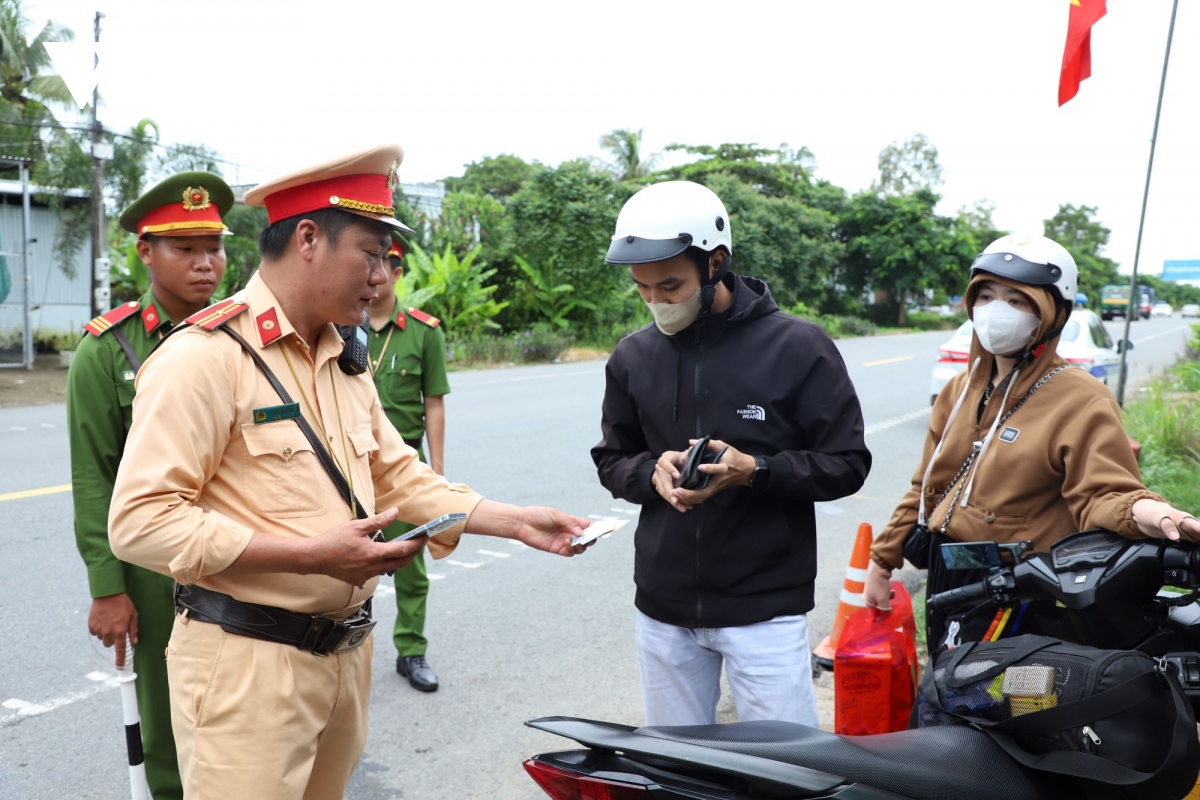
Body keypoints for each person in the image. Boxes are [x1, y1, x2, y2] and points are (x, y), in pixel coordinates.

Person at [107, 145, 591, 799]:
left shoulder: (342, 355)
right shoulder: (203, 359)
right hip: (247, 666)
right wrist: (309, 556)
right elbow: (140, 522)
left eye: (389, 258)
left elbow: (396, 474)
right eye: (370, 253)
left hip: (343, 658)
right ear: (308, 238)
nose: (384, 274)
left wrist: (511, 520)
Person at [591, 180, 871, 727]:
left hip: (764, 609)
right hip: (663, 607)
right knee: (677, 769)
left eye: (670, 285)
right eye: (642, 289)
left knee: (787, 771)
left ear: (715, 261)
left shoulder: (798, 347)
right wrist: (651, 473)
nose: (656, 302)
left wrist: (757, 471)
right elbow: (612, 458)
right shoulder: (632, 356)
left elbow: (848, 462)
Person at [864, 233, 1200, 651]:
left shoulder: (1079, 396)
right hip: (951, 578)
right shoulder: (958, 390)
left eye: (1016, 300)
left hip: (1023, 589)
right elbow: (925, 488)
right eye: (985, 295)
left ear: (1052, 313)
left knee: (1005, 706)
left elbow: (1104, 491)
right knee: (947, 695)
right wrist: (882, 561)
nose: (995, 311)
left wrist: (1146, 510)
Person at [67, 171, 234, 800]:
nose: (204, 264)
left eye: (213, 247)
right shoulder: (108, 350)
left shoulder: (242, 334)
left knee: (246, 702)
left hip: (244, 548)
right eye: (184, 249)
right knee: (164, 718)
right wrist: (108, 589)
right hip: (156, 567)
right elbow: (93, 476)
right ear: (146, 251)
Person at [367, 233, 450, 691]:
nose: (376, 278)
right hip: (345, 466)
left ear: (398, 273)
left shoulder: (423, 331)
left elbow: (433, 403)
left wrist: (436, 471)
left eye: (387, 267)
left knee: (409, 562)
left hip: (403, 468)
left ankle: (411, 650)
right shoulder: (343, 325)